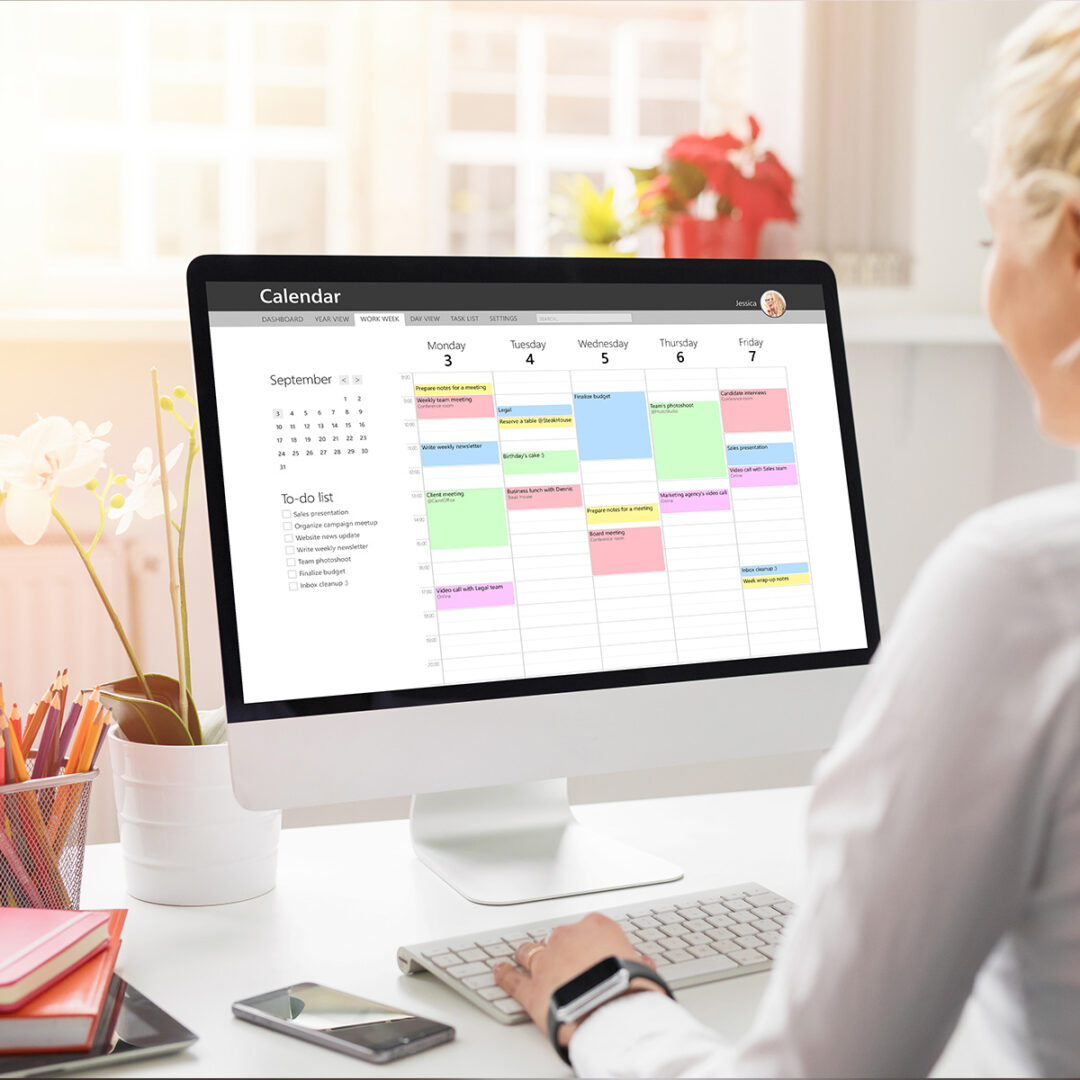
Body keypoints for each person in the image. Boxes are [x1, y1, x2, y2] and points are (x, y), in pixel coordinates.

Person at [493, 4, 1080, 1076]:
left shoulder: (1029, 588)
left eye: (995, 240)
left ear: (1070, 240)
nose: (995, 288)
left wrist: (600, 996)